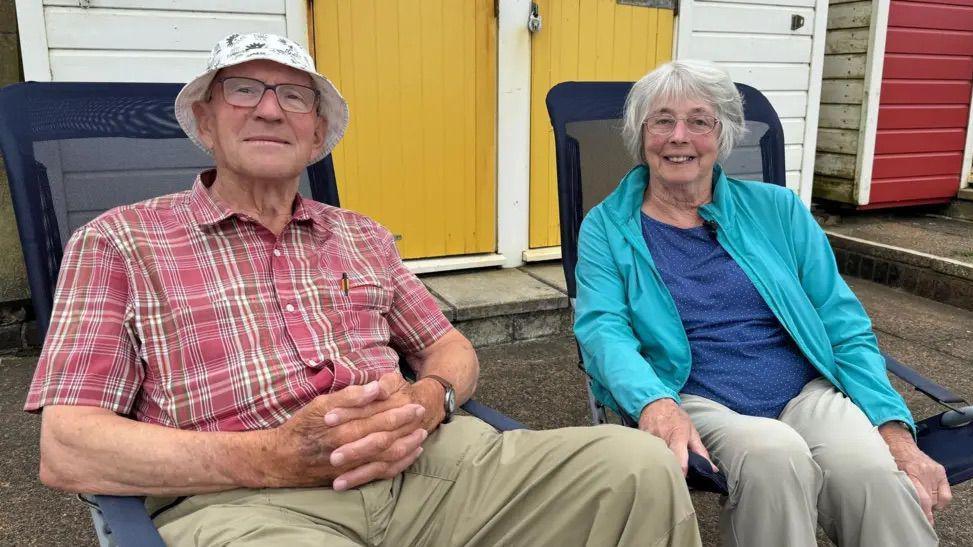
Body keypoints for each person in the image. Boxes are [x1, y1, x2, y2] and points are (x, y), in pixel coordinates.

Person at [24, 33, 702, 546]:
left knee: (637, 464)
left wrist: (427, 398)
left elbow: (449, 346)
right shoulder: (119, 243)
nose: (269, 109)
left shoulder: (361, 237)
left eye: (293, 96)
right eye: (243, 90)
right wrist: (271, 458)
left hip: (435, 468)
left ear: (317, 133)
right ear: (204, 120)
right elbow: (69, 444)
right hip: (248, 502)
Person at [573, 59, 950, 547]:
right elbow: (603, 329)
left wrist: (895, 431)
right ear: (641, 134)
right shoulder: (607, 227)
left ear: (723, 133)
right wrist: (654, 402)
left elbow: (842, 322)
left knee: (871, 470)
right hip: (692, 395)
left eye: (699, 121)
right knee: (775, 457)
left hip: (805, 391)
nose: (679, 136)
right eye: (662, 120)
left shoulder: (779, 210)